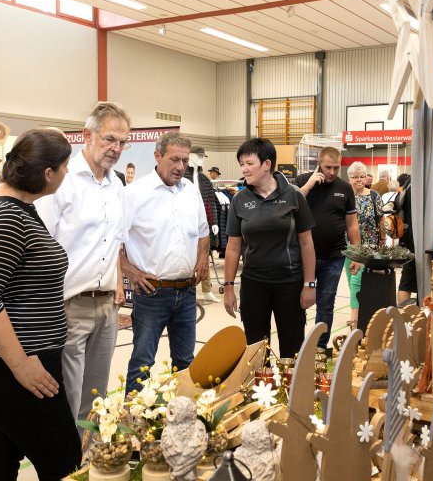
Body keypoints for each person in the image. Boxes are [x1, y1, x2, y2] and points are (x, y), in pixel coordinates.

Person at [0, 128, 81, 481]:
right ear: (48, 173)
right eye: (64, 168)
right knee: (63, 462)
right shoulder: (6, 217)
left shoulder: (18, 208)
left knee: (4, 451)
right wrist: (21, 365)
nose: (65, 175)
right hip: (10, 364)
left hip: (20, 358)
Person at [36, 103, 128, 420]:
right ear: (87, 136)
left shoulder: (117, 186)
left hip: (107, 307)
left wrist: (117, 286)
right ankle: (66, 464)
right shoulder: (62, 181)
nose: (116, 148)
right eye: (110, 139)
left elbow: (114, 242)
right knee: (69, 397)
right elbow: (41, 245)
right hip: (69, 306)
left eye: (122, 142)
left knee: (96, 399)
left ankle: (89, 463)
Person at [120, 131, 210, 395]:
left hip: (186, 291)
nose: (181, 167)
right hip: (152, 293)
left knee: (185, 361)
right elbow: (112, 242)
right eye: (174, 160)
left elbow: (203, 231)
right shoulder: (134, 194)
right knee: (143, 363)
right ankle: (131, 425)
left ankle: (183, 418)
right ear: (157, 156)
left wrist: (203, 257)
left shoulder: (191, 192)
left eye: (185, 161)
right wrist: (131, 272)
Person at [223, 138, 316, 357]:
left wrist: (309, 284)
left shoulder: (294, 195)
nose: (244, 169)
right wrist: (228, 288)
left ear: (267, 164)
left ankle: (291, 389)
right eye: (241, 164)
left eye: (249, 163)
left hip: (290, 283)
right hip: (254, 284)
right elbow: (233, 247)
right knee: (256, 351)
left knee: (292, 348)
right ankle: (260, 391)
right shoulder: (239, 200)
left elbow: (307, 243)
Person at [295, 146, 360, 350]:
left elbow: (352, 224)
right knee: (298, 303)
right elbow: (287, 208)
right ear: (319, 164)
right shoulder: (301, 181)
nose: (332, 172)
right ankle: (297, 346)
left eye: (336, 167)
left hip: (333, 256)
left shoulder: (345, 188)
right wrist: (308, 186)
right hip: (302, 257)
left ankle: (320, 348)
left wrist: (356, 255)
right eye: (327, 167)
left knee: (326, 303)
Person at [344, 162, 383, 327]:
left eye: (361, 176)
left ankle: (355, 315)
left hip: (369, 245)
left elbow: (380, 219)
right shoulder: (345, 195)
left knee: (356, 279)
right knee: (351, 279)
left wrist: (382, 239)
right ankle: (361, 309)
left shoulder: (374, 195)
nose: (359, 180)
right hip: (349, 246)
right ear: (349, 178)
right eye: (355, 177)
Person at [184, 145, 220, 304]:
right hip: (185, 223)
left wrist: (214, 222)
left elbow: (210, 203)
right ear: (190, 156)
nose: (200, 160)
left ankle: (207, 290)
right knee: (187, 257)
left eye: (202, 158)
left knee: (205, 255)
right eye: (198, 157)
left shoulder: (205, 180)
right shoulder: (182, 177)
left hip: (202, 224)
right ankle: (187, 290)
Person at [395, 173, 418, 305]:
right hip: (415, 240)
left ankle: (403, 320)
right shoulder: (418, 183)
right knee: (412, 280)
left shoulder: (407, 184)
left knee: (406, 280)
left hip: (406, 239)